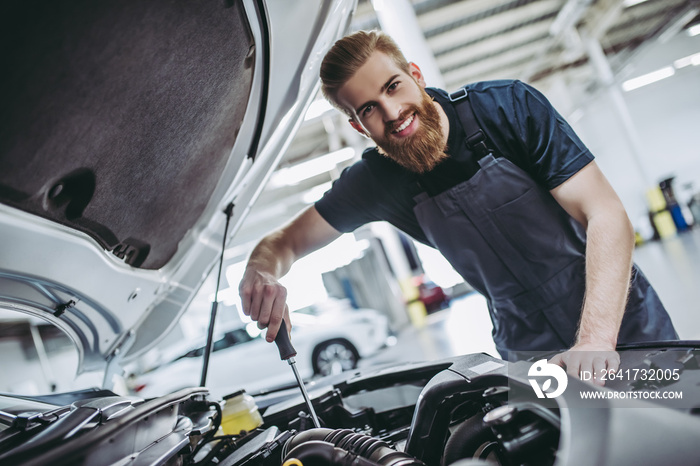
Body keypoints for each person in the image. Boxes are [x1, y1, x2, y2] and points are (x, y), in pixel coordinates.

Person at [239, 30, 677, 383]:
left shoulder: (506, 108)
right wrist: (260, 270)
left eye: (393, 87)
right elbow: (284, 243)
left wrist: (597, 339)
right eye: (370, 109)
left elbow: (606, 214)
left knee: (674, 435)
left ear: (415, 75)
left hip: (620, 321)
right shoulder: (375, 182)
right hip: (528, 349)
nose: (392, 113)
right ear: (357, 125)